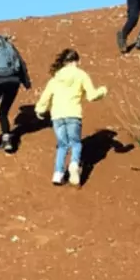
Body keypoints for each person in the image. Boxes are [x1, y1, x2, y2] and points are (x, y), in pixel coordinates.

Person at [33, 47, 107, 187]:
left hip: (57, 116)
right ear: (77, 61)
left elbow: (46, 96)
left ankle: (58, 174)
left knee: (62, 145)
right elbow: (91, 96)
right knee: (76, 143)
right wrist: (103, 91)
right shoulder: (81, 75)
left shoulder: (56, 78)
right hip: (73, 114)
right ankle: (74, 164)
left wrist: (40, 109)